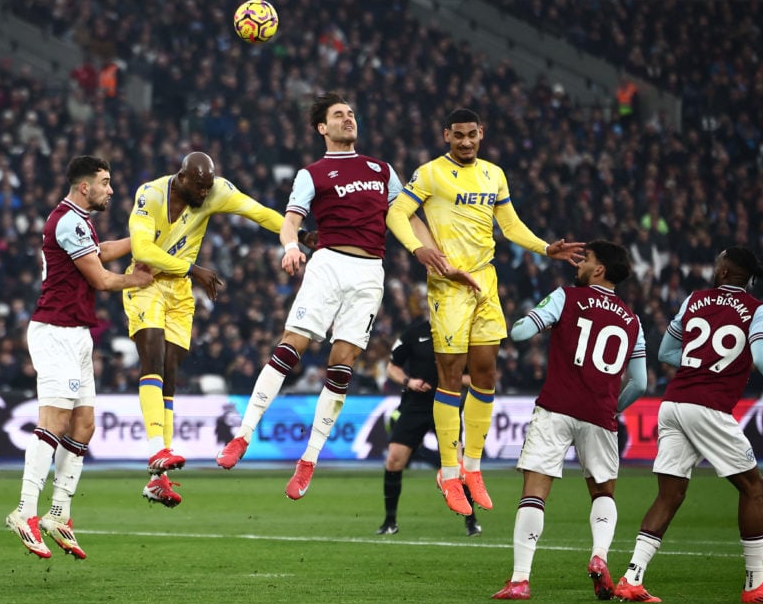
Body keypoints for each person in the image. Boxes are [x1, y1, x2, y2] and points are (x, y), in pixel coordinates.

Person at [216, 91, 463, 499]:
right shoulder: (311, 173)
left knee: (342, 364)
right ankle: (243, 435)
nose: (348, 119)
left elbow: (406, 216)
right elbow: (291, 219)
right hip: (328, 264)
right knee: (290, 346)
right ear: (322, 127)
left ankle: (308, 459)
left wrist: (430, 251)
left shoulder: (382, 170)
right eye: (338, 115)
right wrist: (291, 246)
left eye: (351, 114)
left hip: (370, 272)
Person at [385, 107, 584, 516]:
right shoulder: (429, 173)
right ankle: (448, 470)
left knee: (486, 373)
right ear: (446, 135)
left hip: (486, 281)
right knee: (450, 376)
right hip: (449, 283)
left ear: (481, 133)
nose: (465, 142)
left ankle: (472, 467)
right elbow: (395, 213)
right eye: (457, 135)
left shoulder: (494, 174)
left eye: (471, 135)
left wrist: (546, 248)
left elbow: (509, 226)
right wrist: (419, 249)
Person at [614, 247, 763, 604]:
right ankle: (754, 585)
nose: (714, 268)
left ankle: (632, 578)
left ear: (728, 271)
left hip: (673, 404)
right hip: (708, 408)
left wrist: (702, 361)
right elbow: (761, 357)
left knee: (670, 494)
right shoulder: (759, 310)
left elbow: (666, 353)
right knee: (754, 489)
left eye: (718, 263)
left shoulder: (694, 299)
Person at [125, 151, 307, 507]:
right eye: (201, 187)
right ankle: (156, 450)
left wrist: (294, 237)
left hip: (179, 293)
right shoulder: (151, 195)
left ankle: (158, 480)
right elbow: (143, 248)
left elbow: (260, 213)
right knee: (153, 356)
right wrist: (193, 269)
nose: (206, 193)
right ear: (183, 178)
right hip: (144, 281)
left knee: (171, 373)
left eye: (210, 187)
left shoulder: (215, 191)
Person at [6, 155, 153, 560]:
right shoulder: (68, 221)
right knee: (54, 420)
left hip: (77, 334)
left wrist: (142, 243)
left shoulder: (78, 219)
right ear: (84, 186)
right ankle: (24, 512)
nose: (111, 189)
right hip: (55, 332)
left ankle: (58, 514)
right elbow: (102, 279)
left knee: (84, 425)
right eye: (105, 182)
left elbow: (101, 251)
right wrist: (136, 279)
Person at [491, 240, 647, 601]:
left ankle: (519, 580)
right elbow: (639, 383)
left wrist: (543, 319)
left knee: (535, 491)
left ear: (599, 269)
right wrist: (613, 407)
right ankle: (599, 556)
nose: (578, 263)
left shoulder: (566, 297)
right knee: (603, 491)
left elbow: (519, 332)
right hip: (599, 415)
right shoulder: (633, 320)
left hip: (556, 408)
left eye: (586, 259)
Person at [378, 306, 482, 538]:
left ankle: (471, 521)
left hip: (447, 404)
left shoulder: (460, 334)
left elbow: (476, 375)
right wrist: (408, 381)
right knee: (394, 459)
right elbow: (391, 367)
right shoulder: (413, 333)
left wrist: (455, 380)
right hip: (415, 405)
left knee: (457, 464)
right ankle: (389, 522)